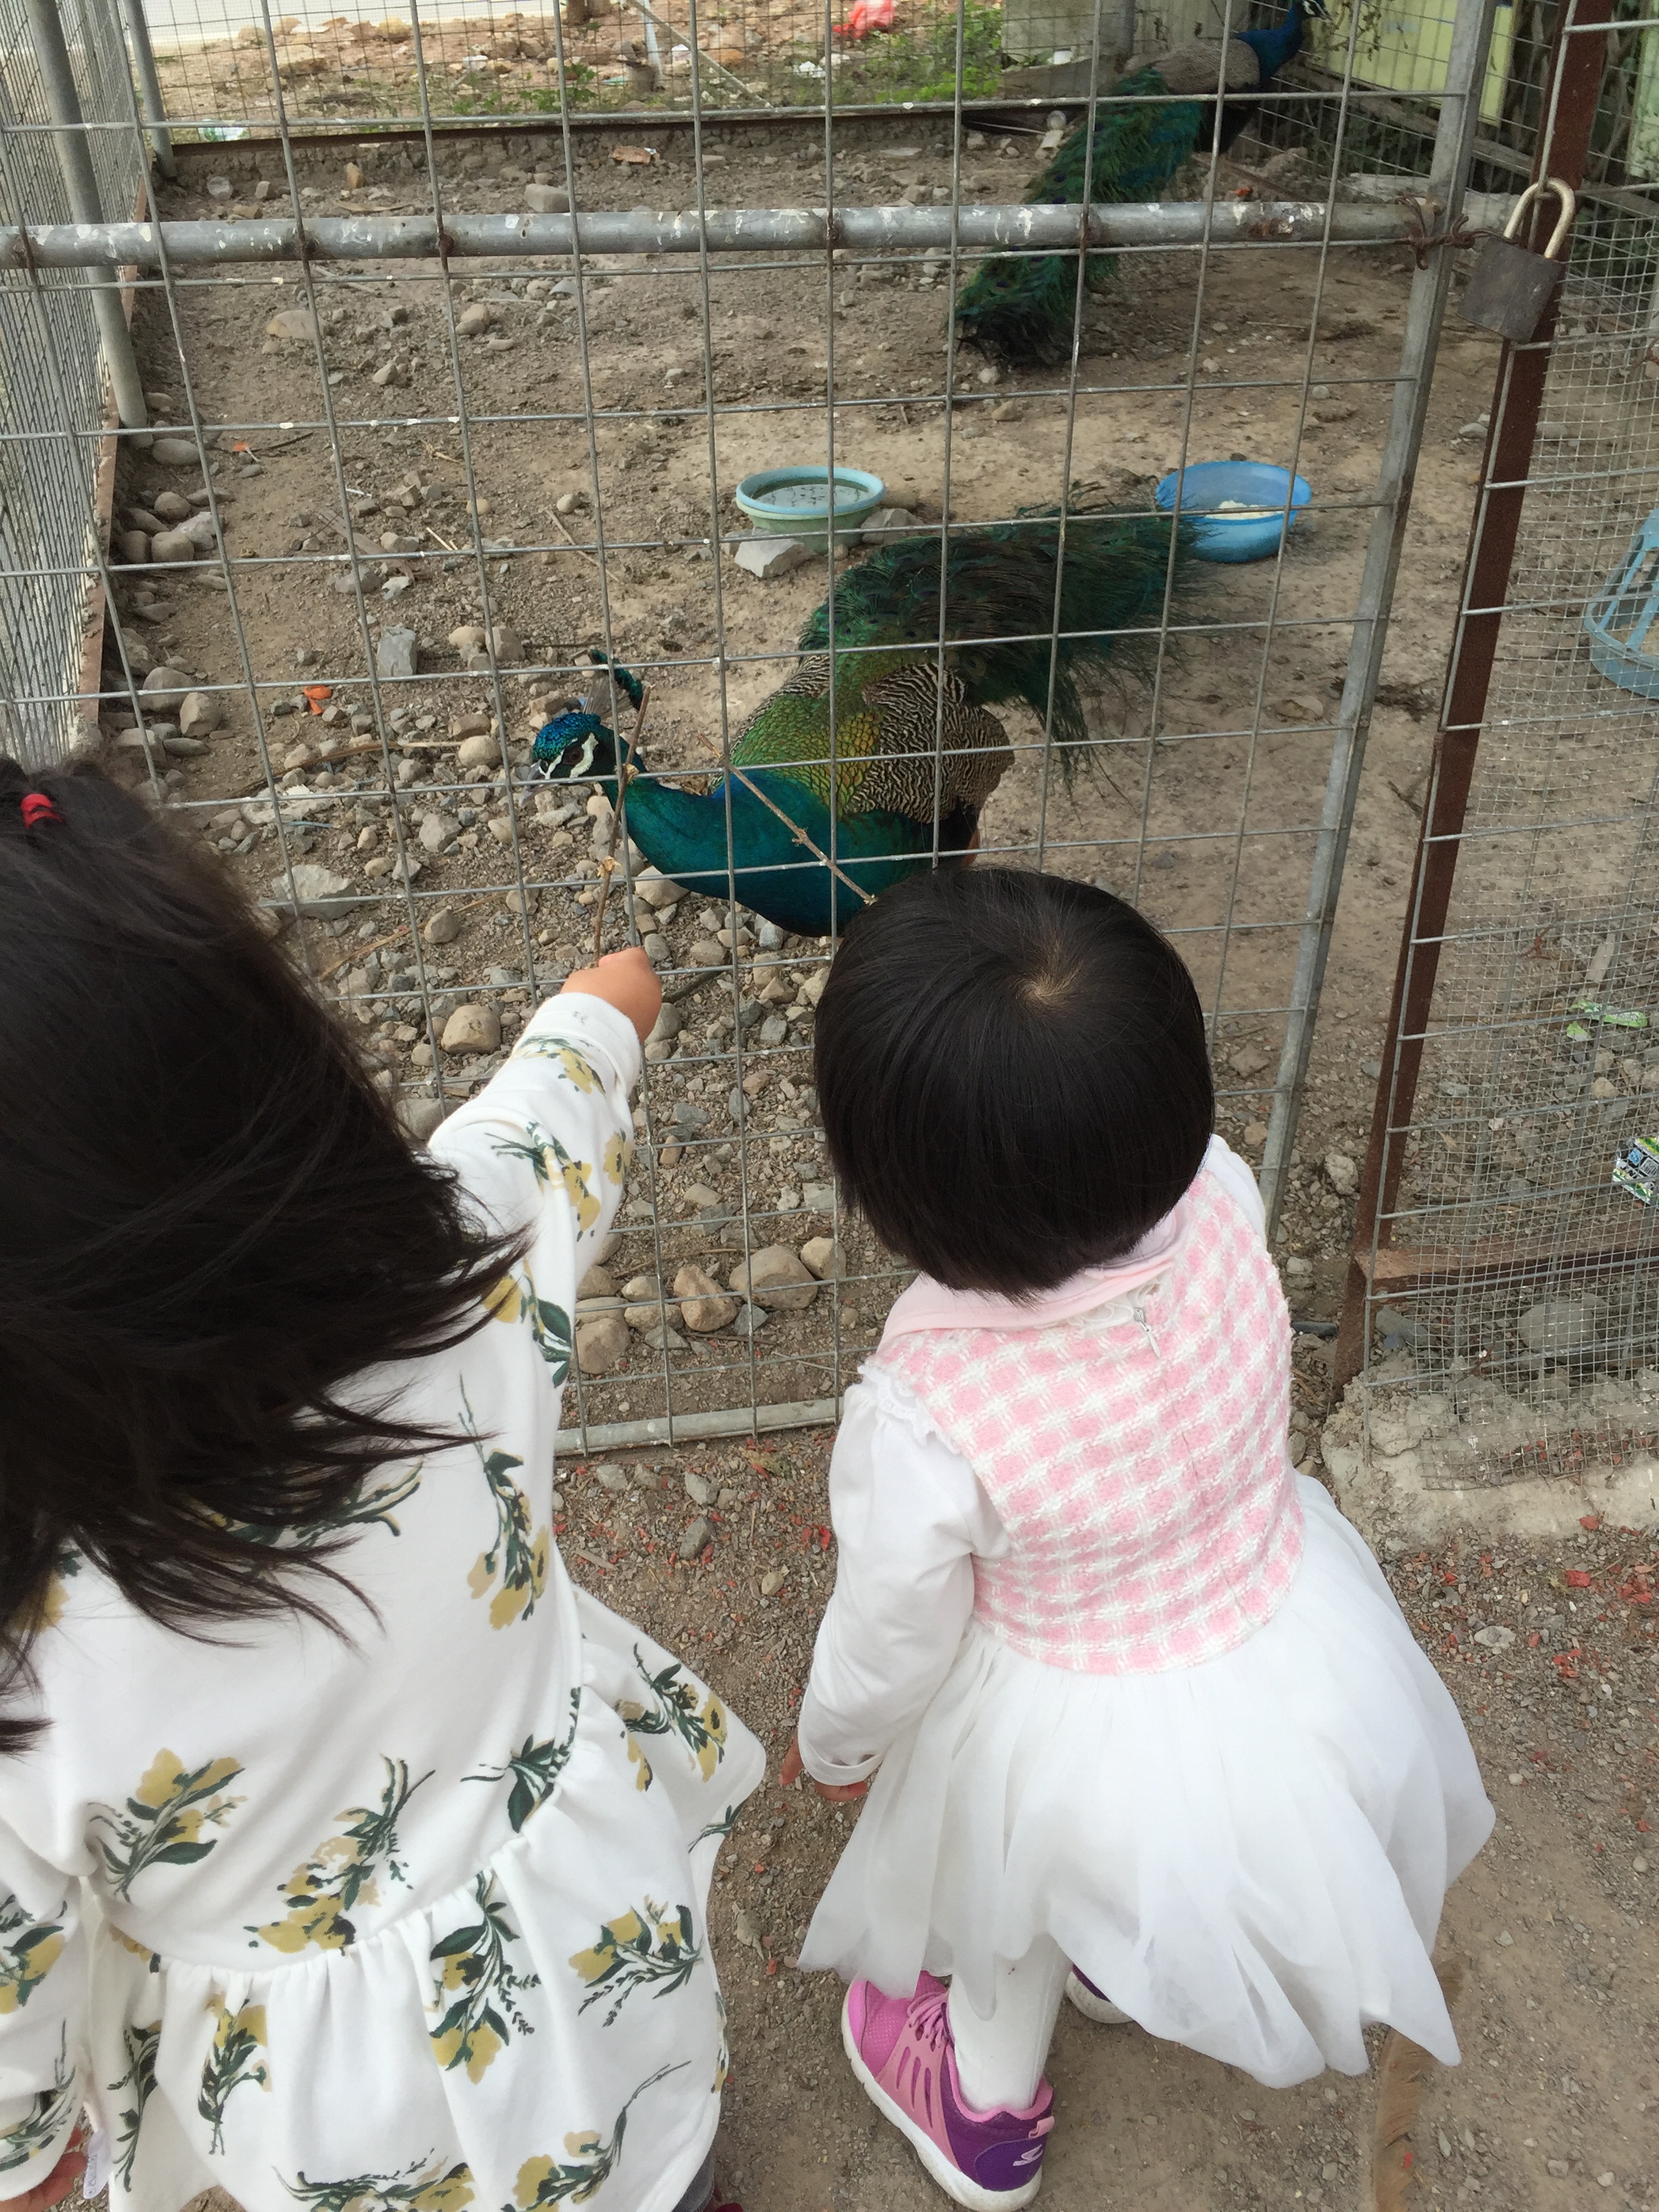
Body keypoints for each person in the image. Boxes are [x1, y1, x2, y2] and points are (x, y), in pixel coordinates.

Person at [0, 760, 761, 2212]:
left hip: (340, 2111)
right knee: (653, 2129)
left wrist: (32, 2160)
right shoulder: (460, 1271)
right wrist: (609, 995)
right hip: (595, 1928)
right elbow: (558, 1095)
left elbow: (9, 2004)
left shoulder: (26, 1658)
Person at [779, 867, 1492, 2211]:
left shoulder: (926, 1407)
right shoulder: (1221, 1189)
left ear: (894, 1195)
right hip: (1275, 1634)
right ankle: (1125, 1955)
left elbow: (893, 1630)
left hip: (1064, 1717)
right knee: (1118, 1862)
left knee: (1006, 1892)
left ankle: (984, 2107)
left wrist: (839, 1747)